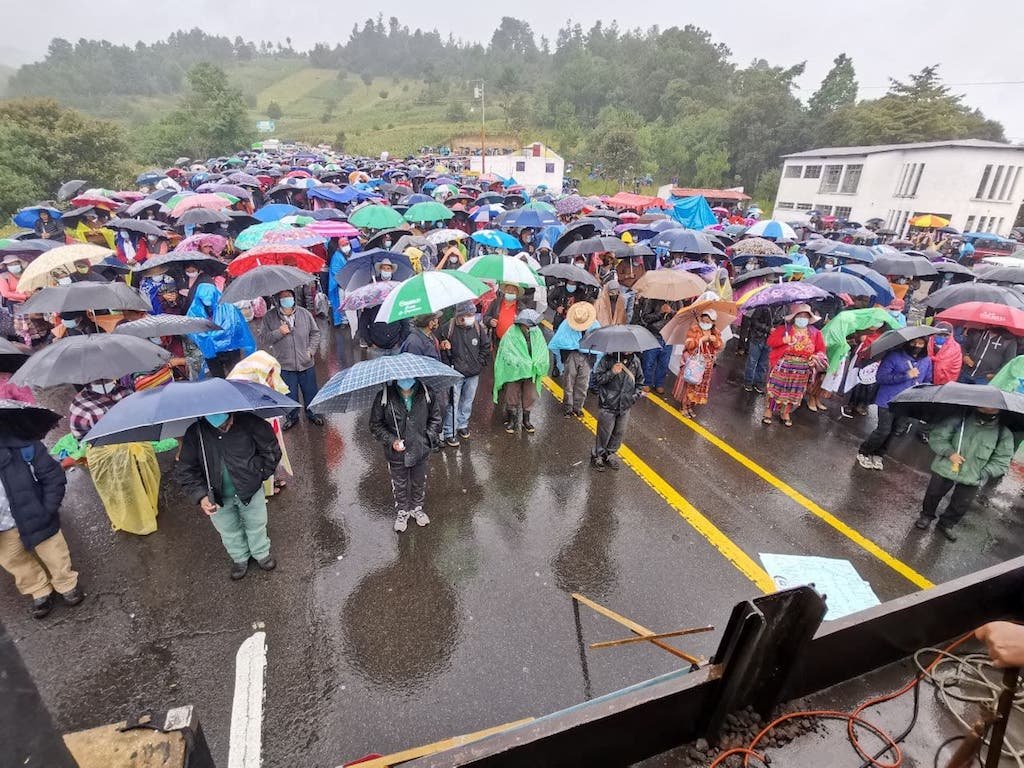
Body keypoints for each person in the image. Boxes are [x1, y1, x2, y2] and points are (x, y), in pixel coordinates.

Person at [177, 412, 282, 580]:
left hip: (250, 489)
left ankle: (261, 552)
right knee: (228, 529)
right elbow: (186, 470)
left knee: (256, 523)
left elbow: (271, 450)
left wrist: (259, 474)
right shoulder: (196, 433)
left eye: (228, 421)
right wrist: (201, 496)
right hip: (217, 496)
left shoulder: (250, 422)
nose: (227, 426)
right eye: (220, 426)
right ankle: (240, 557)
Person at [0, 414, 80, 619]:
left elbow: (53, 476)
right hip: (2, 529)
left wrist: (48, 508)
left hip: (36, 514)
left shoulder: (23, 445)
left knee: (54, 553)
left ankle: (66, 583)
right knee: (14, 561)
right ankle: (39, 589)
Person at [70, 378, 162, 536]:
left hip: (133, 446)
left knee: (141, 477)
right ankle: (132, 515)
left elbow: (140, 417)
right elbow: (81, 435)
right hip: (107, 455)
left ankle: (146, 507)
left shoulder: (125, 393)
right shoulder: (81, 405)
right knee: (119, 484)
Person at [913, 407, 1015, 540]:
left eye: (991, 411)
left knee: (961, 504)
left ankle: (946, 524)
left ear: (999, 411)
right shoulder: (959, 419)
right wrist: (949, 453)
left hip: (973, 475)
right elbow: (937, 437)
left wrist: (984, 472)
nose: (986, 412)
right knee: (933, 493)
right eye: (983, 409)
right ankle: (926, 515)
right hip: (946, 466)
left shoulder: (1003, 434)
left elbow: (1002, 461)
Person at [369, 377, 441, 533]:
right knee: (399, 483)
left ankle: (417, 507)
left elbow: (436, 419)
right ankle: (402, 510)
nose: (405, 380)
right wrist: (392, 441)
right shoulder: (384, 396)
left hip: (420, 449)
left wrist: (426, 438)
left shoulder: (427, 393)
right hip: (396, 454)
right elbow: (376, 424)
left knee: (419, 481)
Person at [856, 338, 933, 470]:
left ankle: (879, 454)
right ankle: (864, 451)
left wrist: (923, 389)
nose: (917, 346)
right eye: (914, 343)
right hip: (888, 400)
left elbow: (928, 379)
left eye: (921, 343)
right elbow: (881, 377)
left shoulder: (926, 360)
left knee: (895, 431)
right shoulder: (894, 356)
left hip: (908, 402)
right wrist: (906, 375)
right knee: (884, 430)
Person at [260, 289, 324, 428]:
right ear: (278, 299)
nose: (287, 298)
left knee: (311, 392)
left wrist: (310, 351)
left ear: (293, 297)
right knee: (290, 395)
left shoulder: (304, 313)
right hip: (285, 365)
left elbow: (315, 333)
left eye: (289, 295)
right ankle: (292, 417)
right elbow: (264, 339)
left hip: (306, 363)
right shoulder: (269, 317)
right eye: (283, 296)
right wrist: (278, 332)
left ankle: (313, 413)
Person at [762, 304, 827, 427]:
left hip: (802, 369)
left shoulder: (815, 333)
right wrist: (783, 341)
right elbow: (770, 342)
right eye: (800, 315)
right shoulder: (784, 329)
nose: (803, 318)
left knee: (794, 392)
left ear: (809, 318)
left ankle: (785, 413)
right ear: (794, 317)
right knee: (776, 389)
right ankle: (769, 410)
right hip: (783, 366)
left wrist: (815, 358)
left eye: (805, 316)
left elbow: (821, 350)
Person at [438, 302, 491, 447]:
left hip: (473, 373)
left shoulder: (477, 328)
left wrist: (479, 363)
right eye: (468, 315)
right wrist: (445, 354)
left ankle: (463, 424)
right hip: (455, 373)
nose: (471, 317)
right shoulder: (447, 329)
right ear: (460, 315)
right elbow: (440, 350)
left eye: (472, 314)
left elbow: (485, 346)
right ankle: (449, 431)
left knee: (467, 401)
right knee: (453, 403)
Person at [492, 309, 548, 434]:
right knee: (512, 394)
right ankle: (512, 419)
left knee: (530, 395)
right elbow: (506, 352)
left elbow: (542, 349)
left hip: (531, 371)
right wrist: (520, 362)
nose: (530, 328)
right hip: (515, 371)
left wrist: (537, 362)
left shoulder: (536, 332)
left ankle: (526, 420)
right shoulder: (511, 333)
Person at [187, 283, 256, 378]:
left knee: (235, 375)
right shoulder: (194, 312)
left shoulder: (228, 308)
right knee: (218, 378)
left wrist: (217, 336)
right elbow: (192, 332)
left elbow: (238, 325)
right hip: (210, 351)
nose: (208, 306)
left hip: (230, 348)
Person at [591, 351, 644, 471]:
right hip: (608, 404)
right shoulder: (607, 359)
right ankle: (598, 455)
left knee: (619, 432)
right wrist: (612, 372)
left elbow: (640, 382)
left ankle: (610, 453)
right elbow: (597, 379)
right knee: (604, 433)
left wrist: (633, 397)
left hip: (625, 405)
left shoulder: (635, 361)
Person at [548, 302, 600, 417]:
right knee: (568, 382)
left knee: (583, 384)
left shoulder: (595, 325)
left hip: (587, 357)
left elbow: (598, 342)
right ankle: (568, 407)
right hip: (571, 355)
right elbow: (559, 340)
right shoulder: (566, 324)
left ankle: (578, 407)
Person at [674, 309, 723, 419]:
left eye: (708, 322)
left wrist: (714, 340)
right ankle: (684, 406)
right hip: (694, 363)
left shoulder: (715, 332)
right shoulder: (694, 329)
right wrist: (700, 339)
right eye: (703, 321)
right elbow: (688, 344)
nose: (705, 323)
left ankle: (690, 405)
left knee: (698, 387)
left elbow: (720, 346)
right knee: (689, 385)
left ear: (713, 322)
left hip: (706, 365)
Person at [640, 298, 677, 394]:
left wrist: (671, 312)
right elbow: (645, 318)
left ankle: (659, 383)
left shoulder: (677, 301)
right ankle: (646, 382)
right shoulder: (652, 300)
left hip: (668, 337)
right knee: (648, 361)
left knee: (664, 363)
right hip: (653, 335)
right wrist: (660, 313)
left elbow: (680, 317)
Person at [742, 305, 782, 393]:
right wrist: (768, 329)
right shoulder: (763, 306)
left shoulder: (784, 309)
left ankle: (758, 382)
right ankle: (748, 381)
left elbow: (782, 325)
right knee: (752, 361)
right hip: (757, 338)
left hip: (770, 340)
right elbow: (754, 321)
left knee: (763, 363)